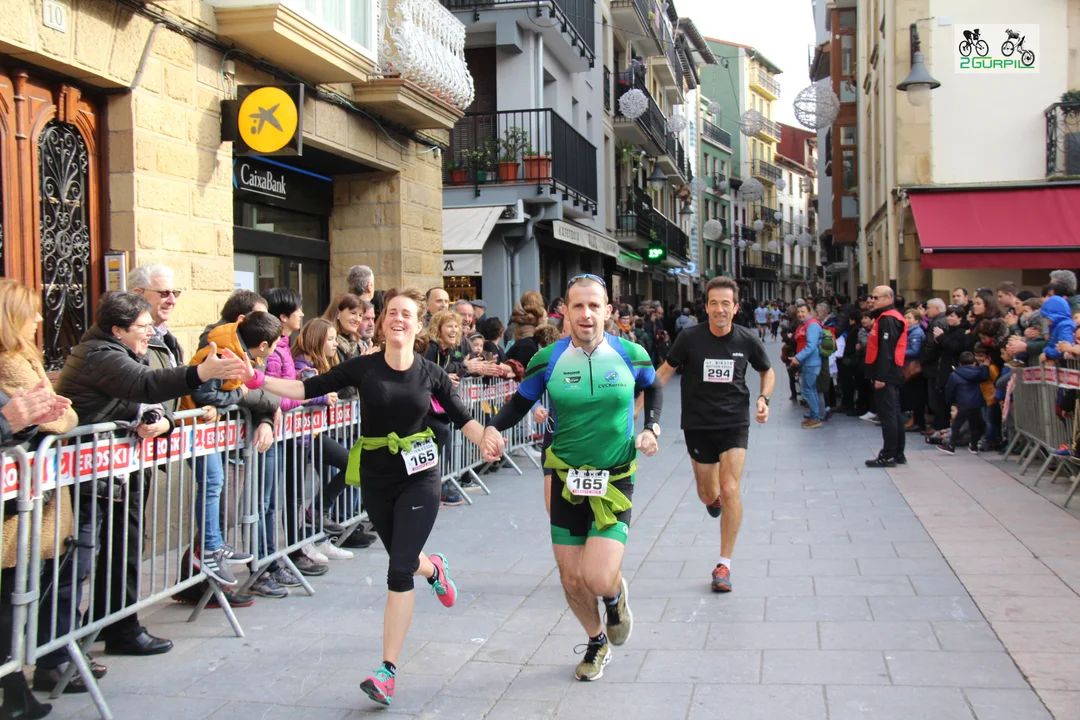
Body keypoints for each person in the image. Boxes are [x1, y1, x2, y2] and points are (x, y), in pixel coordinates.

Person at [246, 288, 498, 707]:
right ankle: (434, 568)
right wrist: (256, 379)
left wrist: (486, 437)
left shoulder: (431, 373)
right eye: (392, 313)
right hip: (377, 478)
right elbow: (306, 388)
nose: (398, 319)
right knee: (404, 558)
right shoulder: (363, 367)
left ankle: (387, 672)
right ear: (381, 323)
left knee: (398, 570)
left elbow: (462, 418)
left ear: (418, 325)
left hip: (420, 476)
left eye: (407, 314)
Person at [481, 274, 662, 682]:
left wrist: (651, 427)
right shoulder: (547, 359)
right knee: (571, 578)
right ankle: (596, 641)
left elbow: (653, 387)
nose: (586, 314)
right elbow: (520, 403)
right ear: (565, 311)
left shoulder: (631, 354)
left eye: (594, 306)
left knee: (597, 576)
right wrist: (491, 428)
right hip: (566, 477)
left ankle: (614, 595)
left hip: (615, 476)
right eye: (578, 306)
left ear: (607, 311)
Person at [56, 292, 247, 657]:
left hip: (121, 473)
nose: (149, 332)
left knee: (124, 550)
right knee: (78, 562)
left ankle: (120, 627)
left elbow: (153, 402)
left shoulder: (128, 351)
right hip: (89, 477)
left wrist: (163, 421)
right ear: (118, 329)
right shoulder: (99, 355)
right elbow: (145, 384)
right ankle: (59, 652)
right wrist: (201, 373)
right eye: (143, 327)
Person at [648, 277, 773, 593]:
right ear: (706, 307)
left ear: (735, 307)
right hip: (698, 424)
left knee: (730, 488)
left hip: (734, 423)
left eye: (725, 303)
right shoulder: (689, 338)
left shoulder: (747, 339)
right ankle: (712, 499)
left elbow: (767, 371)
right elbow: (665, 371)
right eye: (714, 303)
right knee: (708, 493)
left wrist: (764, 398)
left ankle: (724, 565)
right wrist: (638, 404)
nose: (719, 309)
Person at [292, 318, 355, 561]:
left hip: (315, 434)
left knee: (352, 464)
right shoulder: (302, 364)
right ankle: (300, 546)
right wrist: (322, 398)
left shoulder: (322, 364)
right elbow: (300, 394)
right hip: (298, 437)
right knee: (295, 496)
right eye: (329, 339)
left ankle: (319, 514)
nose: (334, 344)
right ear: (317, 340)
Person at [424, 310, 467, 506]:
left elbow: (457, 366)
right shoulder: (431, 348)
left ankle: (441, 483)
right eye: (449, 326)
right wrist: (442, 378)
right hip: (422, 407)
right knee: (443, 433)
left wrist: (451, 374)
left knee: (446, 434)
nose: (454, 330)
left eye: (456, 326)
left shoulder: (447, 351)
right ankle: (436, 484)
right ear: (438, 328)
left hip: (435, 407)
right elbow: (423, 372)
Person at [864, 286, 908, 467]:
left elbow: (886, 350)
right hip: (890, 372)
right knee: (894, 413)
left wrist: (881, 376)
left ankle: (889, 454)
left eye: (876, 297)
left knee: (888, 415)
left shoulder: (889, 319)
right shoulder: (887, 317)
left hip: (887, 374)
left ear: (888, 299)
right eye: (872, 297)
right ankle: (897, 453)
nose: (872, 301)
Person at [939, 351, 988, 454]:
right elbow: (985, 377)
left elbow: (950, 390)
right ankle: (974, 446)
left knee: (956, 425)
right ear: (974, 362)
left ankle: (951, 445)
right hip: (976, 402)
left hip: (963, 403)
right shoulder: (978, 372)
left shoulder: (954, 375)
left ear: (960, 363)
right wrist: (985, 367)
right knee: (974, 425)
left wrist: (951, 402)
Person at [789, 303, 824, 429]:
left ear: (809, 312)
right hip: (809, 362)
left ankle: (815, 418)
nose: (800, 314)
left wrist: (798, 357)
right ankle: (815, 414)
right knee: (811, 389)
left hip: (811, 363)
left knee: (807, 390)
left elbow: (811, 345)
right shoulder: (807, 324)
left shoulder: (812, 325)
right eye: (798, 312)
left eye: (803, 311)